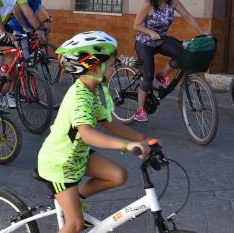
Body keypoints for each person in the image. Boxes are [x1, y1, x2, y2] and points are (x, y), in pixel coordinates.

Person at [38, 31, 151, 233]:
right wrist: (126, 145)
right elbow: (89, 134)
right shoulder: (80, 97)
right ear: (94, 66)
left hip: (77, 156)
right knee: (75, 225)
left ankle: (73, 200)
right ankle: (70, 204)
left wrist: (143, 139)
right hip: (60, 164)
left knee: (117, 175)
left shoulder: (92, 91)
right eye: (110, 65)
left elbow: (109, 122)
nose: (112, 70)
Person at [133, 0, 209, 122]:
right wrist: (150, 32)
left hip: (161, 40)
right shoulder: (148, 4)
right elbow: (136, 25)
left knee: (182, 53)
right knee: (148, 76)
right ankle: (140, 110)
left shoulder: (172, 2)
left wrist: (202, 32)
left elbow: (187, 16)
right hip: (145, 43)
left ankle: (162, 75)